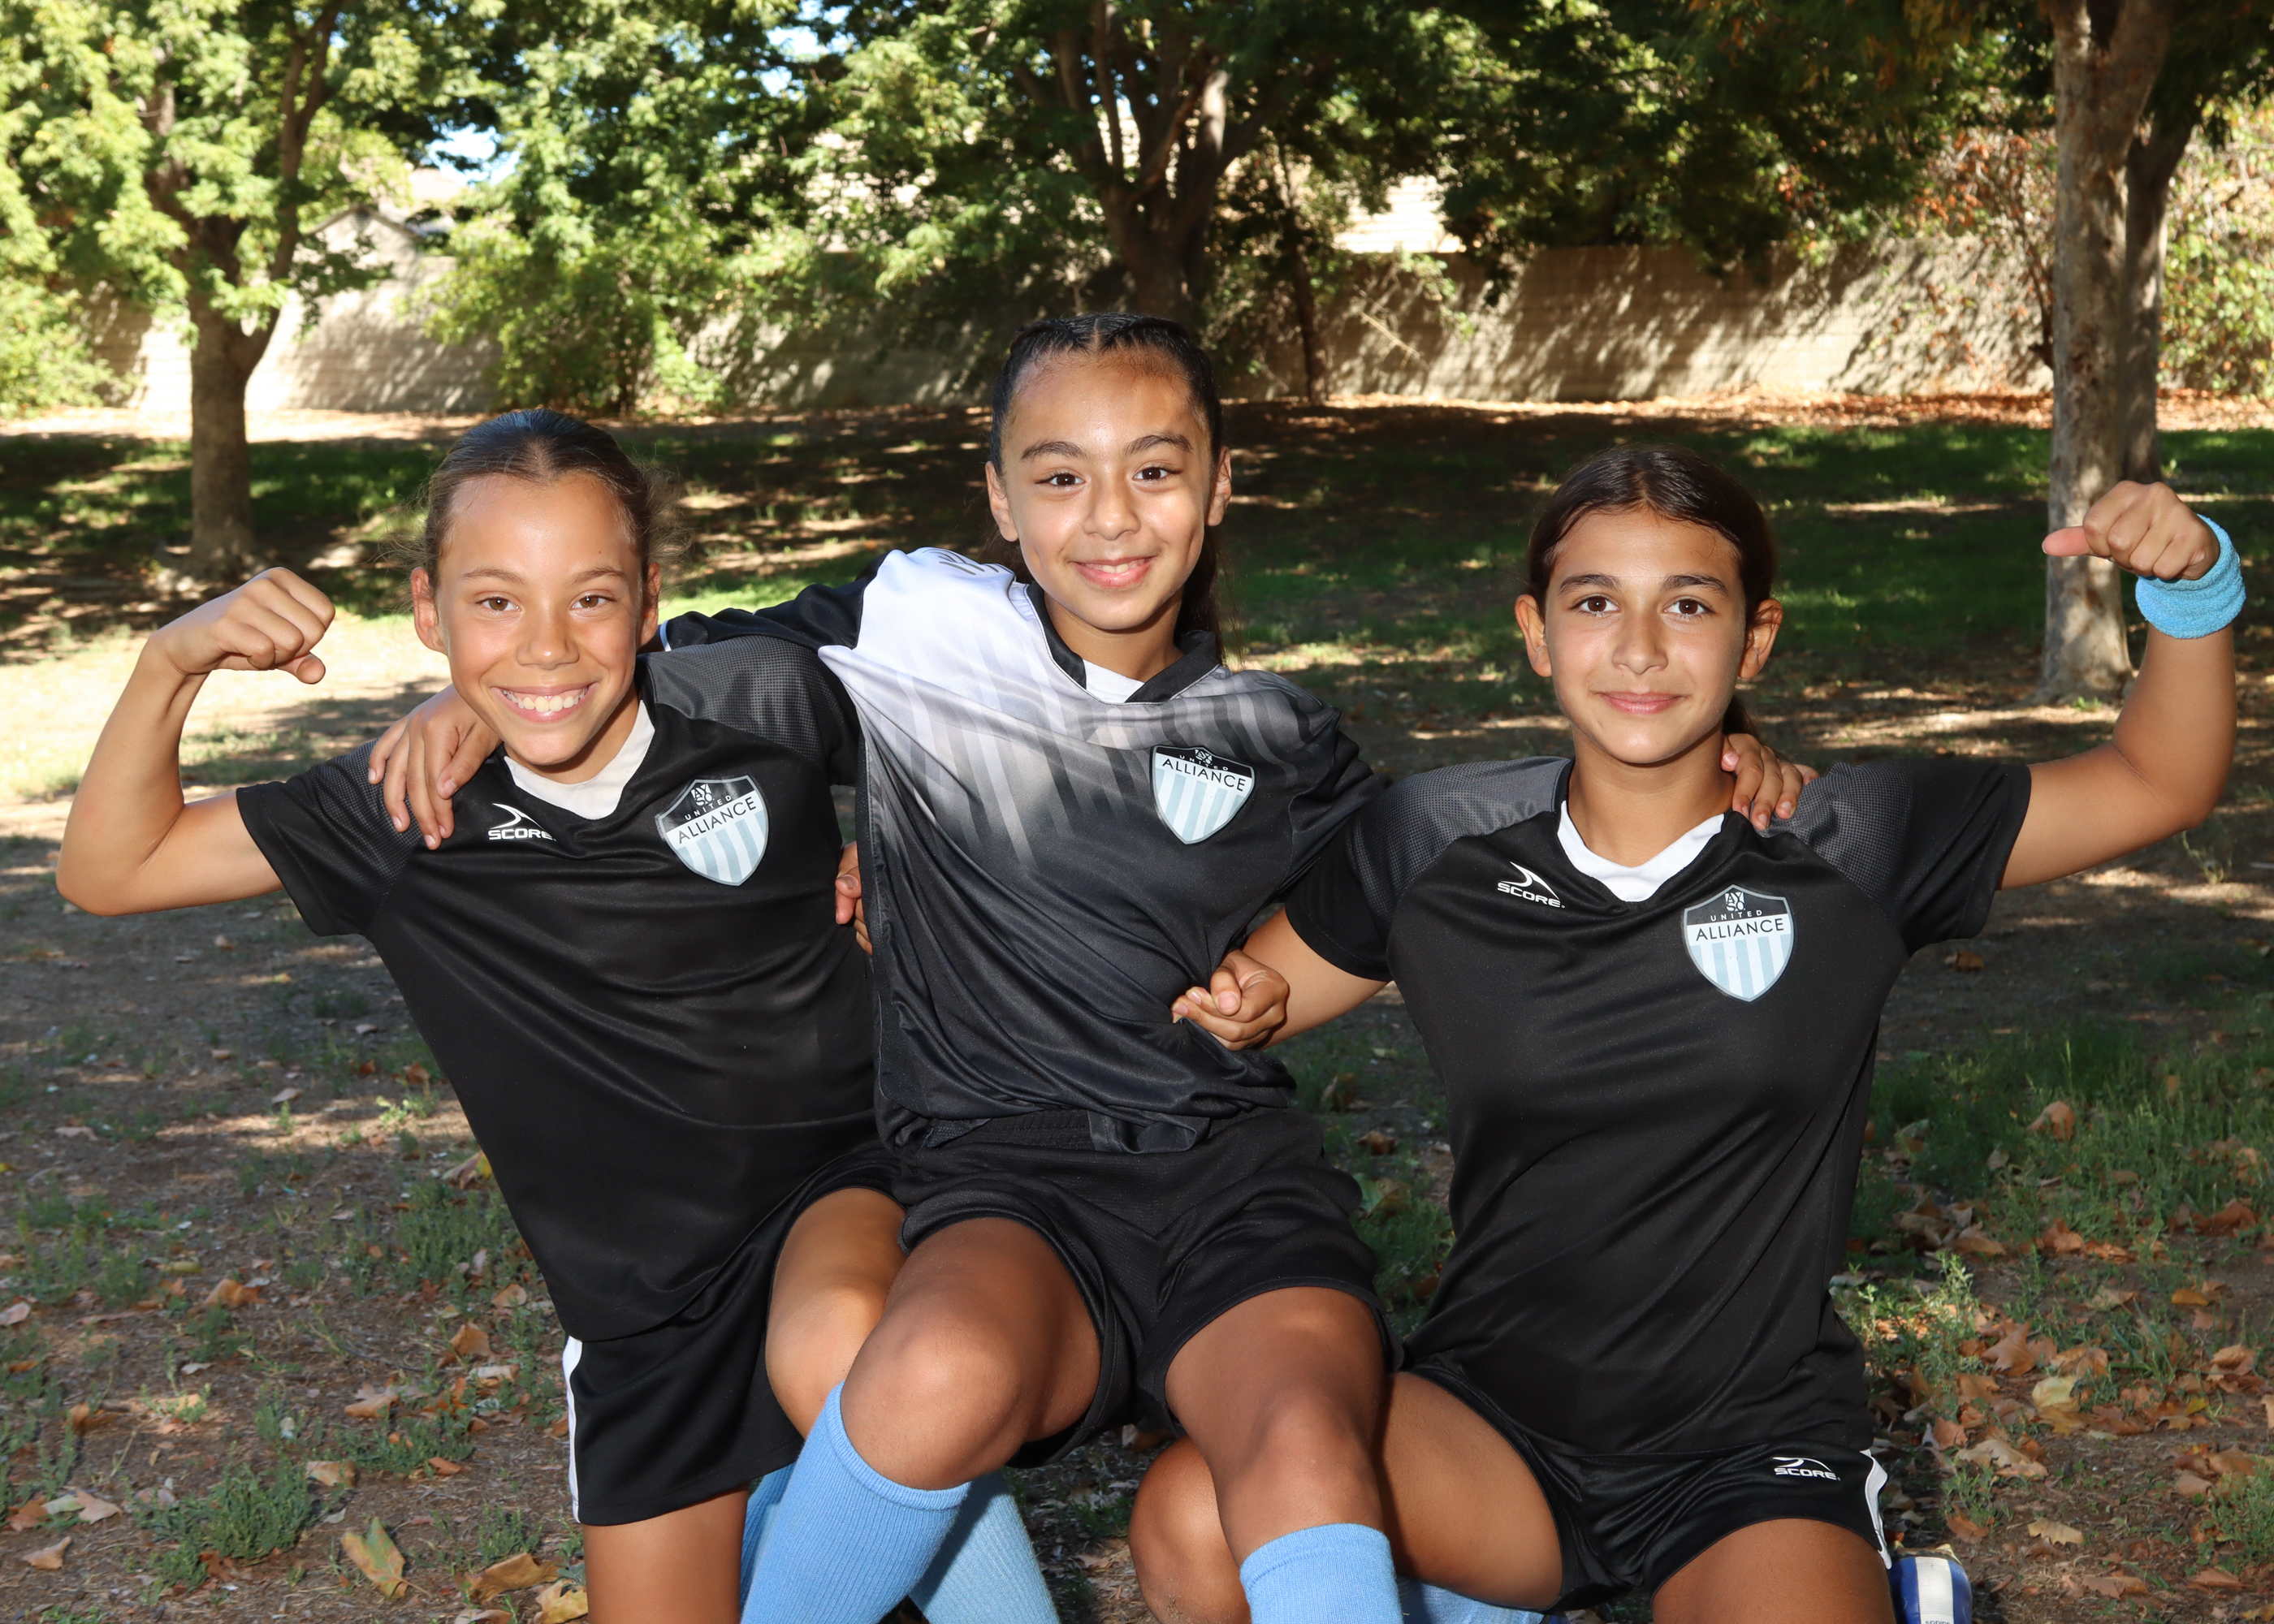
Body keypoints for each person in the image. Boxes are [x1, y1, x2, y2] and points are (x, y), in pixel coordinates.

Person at [374, 322, 1814, 1624]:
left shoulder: (1279, 732)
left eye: (1154, 471)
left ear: (1219, 485)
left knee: (1305, 1443)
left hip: (1230, 1189)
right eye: (1060, 477)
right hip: (1003, 1184)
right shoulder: (910, 625)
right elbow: (618, 668)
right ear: (1001, 500)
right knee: (929, 1373)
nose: (1110, 517)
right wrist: (474, 699)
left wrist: (1715, 759)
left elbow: (1465, 882)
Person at [1124, 443, 2237, 1624]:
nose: (1641, 648)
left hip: (1751, 1454)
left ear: (1754, 640)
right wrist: (1231, 1001)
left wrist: (2193, 586)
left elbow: (2157, 779)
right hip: (1492, 1433)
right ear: (1536, 632)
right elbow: (1233, 1007)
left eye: (1690, 606)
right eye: (1595, 603)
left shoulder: (1851, 842)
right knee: (1196, 1518)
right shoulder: (1434, 844)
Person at [54, 411, 1052, 1624]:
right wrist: (171, 662)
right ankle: (793, 1498)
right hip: (642, 1318)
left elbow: (1004, 663)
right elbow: (111, 869)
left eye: (590, 599)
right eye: (496, 603)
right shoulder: (407, 807)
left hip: (845, 1186)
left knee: (843, 1350)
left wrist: (909, 865)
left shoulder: (764, 697)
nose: (545, 646)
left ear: (647, 601)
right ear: (428, 611)